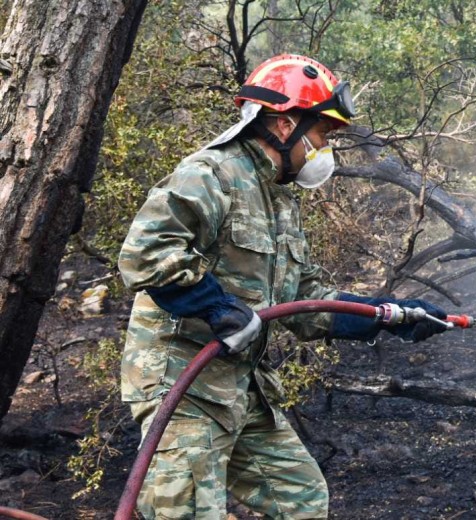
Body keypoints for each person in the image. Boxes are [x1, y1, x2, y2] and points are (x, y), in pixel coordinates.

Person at [117, 54, 447, 519]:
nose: (323, 148)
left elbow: (305, 300)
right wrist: (216, 308)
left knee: (301, 500)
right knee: (186, 512)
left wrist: (388, 315)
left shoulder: (279, 199)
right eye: (320, 134)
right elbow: (144, 255)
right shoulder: (212, 174)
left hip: (242, 388)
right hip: (183, 385)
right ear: (285, 122)